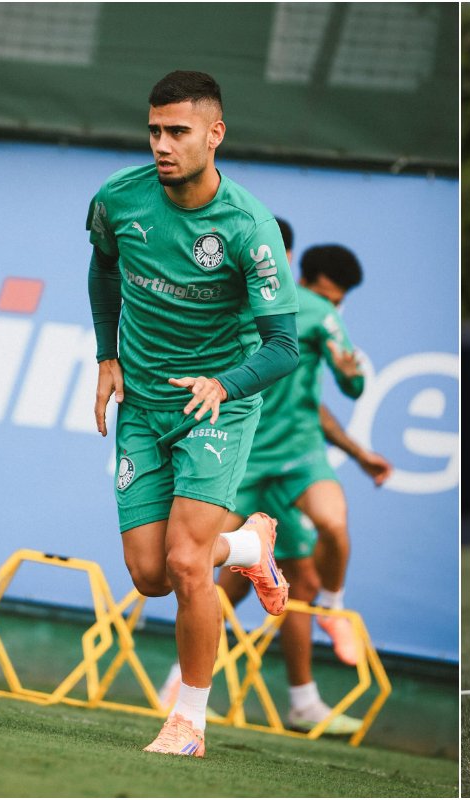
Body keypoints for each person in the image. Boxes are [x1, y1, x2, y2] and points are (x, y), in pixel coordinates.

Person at [87, 70, 301, 758]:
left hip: (216, 409)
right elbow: (103, 266)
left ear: (215, 134)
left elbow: (283, 347)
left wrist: (225, 382)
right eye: (154, 130)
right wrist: (105, 355)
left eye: (177, 131)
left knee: (185, 566)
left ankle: (189, 723)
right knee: (150, 575)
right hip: (143, 406)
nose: (161, 144)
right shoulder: (118, 199)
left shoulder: (249, 228)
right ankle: (250, 547)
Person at [160, 241, 389, 734]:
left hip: (292, 460)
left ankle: (315, 659)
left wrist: (356, 451)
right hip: (246, 460)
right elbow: (349, 388)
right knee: (214, 573)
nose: (337, 305)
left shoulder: (264, 308)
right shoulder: (295, 309)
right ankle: (184, 682)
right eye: (334, 295)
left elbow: (315, 402)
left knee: (299, 565)